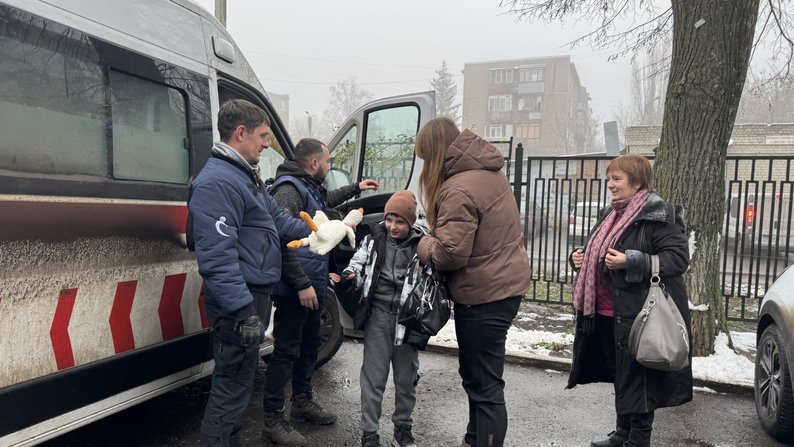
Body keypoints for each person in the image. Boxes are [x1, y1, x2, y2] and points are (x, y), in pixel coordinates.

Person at [188, 99, 311, 447]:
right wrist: (243, 311)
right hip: (239, 300)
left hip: (251, 296)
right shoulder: (218, 182)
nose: (267, 144)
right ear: (241, 133)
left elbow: (278, 221)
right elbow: (217, 259)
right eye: (263, 136)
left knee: (240, 385)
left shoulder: (244, 176)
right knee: (230, 387)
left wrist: (319, 230)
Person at [413, 117, 532, 447]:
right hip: (502, 287)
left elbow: (450, 254)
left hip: (483, 296)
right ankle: (473, 438)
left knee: (484, 386)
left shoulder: (458, 188)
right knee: (479, 378)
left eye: (425, 157)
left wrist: (424, 244)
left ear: (435, 153)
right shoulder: (488, 173)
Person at [567, 154, 692, 447]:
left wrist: (631, 261)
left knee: (639, 378)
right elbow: (597, 251)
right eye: (609, 179)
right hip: (606, 311)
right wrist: (577, 257)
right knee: (620, 374)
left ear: (637, 182)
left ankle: (638, 440)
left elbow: (677, 259)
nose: (610, 184)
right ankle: (622, 432)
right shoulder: (610, 214)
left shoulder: (659, 215)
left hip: (639, 313)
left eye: (617, 179)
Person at [262, 137, 380, 445]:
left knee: (309, 346)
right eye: (327, 162)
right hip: (295, 288)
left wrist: (356, 188)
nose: (328, 167)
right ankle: (273, 419)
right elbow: (282, 239)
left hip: (313, 283)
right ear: (314, 163)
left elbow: (325, 204)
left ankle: (302, 401)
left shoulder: (308, 187)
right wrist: (301, 283)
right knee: (286, 351)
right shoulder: (288, 190)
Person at [336, 190, 428, 447]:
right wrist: (350, 275)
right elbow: (358, 263)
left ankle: (402, 428)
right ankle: (369, 433)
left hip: (407, 322)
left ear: (411, 222)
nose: (393, 226)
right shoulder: (374, 239)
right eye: (389, 219)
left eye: (400, 221)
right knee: (373, 379)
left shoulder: (422, 246)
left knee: (406, 379)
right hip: (378, 316)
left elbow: (431, 280)